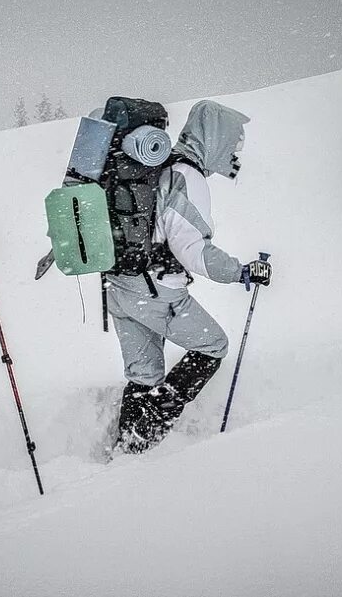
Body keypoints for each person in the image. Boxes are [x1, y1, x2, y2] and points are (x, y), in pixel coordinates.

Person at [108, 100, 271, 454]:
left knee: (143, 373)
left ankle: (126, 450)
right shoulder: (187, 176)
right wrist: (239, 272)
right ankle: (147, 431)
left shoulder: (154, 167)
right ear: (213, 138)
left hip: (119, 285)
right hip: (157, 291)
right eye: (233, 141)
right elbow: (192, 250)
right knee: (213, 346)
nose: (235, 151)